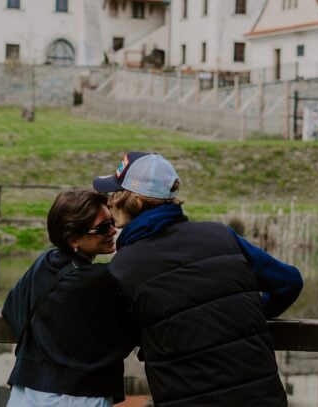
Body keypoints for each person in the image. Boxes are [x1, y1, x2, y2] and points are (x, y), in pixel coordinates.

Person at [93, 152, 303, 407]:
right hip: (261, 399)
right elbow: (289, 282)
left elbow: (114, 337)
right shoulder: (220, 235)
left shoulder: (123, 268)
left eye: (115, 196)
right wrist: (246, 316)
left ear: (136, 202)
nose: (110, 204)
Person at [1, 189, 137, 406]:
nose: (113, 230)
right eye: (103, 228)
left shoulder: (44, 262)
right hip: (81, 394)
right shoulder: (100, 280)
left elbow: (12, 308)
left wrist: (47, 347)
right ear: (73, 238)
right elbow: (131, 331)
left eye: (111, 221)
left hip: (28, 390)